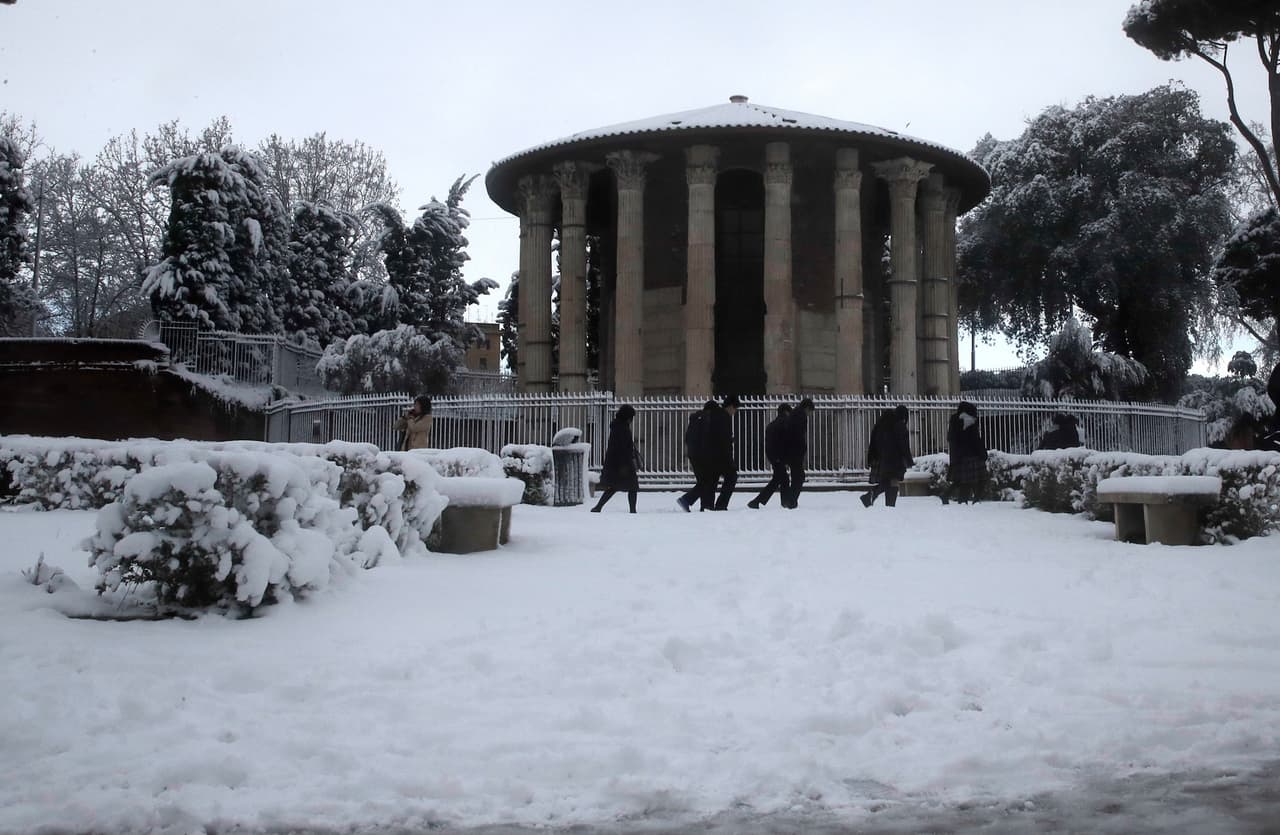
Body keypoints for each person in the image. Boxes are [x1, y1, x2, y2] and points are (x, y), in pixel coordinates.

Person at [860, 405, 913, 508]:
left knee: (886, 481)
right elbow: (903, 445)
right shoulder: (899, 426)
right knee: (893, 481)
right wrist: (908, 459)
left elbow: (874, 441)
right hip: (895, 459)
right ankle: (888, 503)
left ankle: (872, 496)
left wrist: (873, 457)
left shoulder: (882, 423)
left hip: (881, 458)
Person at [592, 405, 640, 513]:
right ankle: (632, 510)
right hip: (622, 463)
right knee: (632, 486)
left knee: (613, 486)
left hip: (616, 463)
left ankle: (598, 507)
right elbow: (622, 447)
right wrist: (626, 462)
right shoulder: (622, 428)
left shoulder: (618, 426)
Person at [747, 403, 793, 509]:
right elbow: (785, 442)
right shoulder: (785, 423)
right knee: (781, 479)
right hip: (779, 456)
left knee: (779, 479)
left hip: (773, 455)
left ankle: (759, 501)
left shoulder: (772, 424)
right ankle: (783, 502)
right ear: (786, 412)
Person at [676, 400, 719, 512]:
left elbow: (687, 438)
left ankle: (705, 506)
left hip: (693, 454)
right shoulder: (706, 419)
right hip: (703, 455)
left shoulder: (694, 419)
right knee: (706, 481)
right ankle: (687, 499)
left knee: (703, 480)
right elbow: (706, 438)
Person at [943, 401, 988, 504]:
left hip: (958, 455)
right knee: (980, 478)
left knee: (961, 480)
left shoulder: (954, 419)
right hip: (971, 454)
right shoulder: (969, 420)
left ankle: (954, 497)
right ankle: (971, 499)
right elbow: (975, 439)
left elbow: (951, 438)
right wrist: (982, 452)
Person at [780, 397, 815, 509]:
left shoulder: (795, 414)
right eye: (810, 412)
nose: (810, 415)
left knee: (797, 476)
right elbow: (798, 435)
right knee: (799, 477)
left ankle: (790, 500)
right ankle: (791, 501)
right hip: (795, 452)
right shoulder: (800, 416)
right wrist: (802, 448)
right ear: (807, 408)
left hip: (791, 451)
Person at [709, 394, 741, 510]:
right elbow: (723, 439)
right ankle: (721, 504)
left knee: (711, 481)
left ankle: (708, 504)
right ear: (731, 407)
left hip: (715, 454)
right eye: (735, 409)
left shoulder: (717, 415)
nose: (735, 412)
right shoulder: (724, 417)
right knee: (731, 477)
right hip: (722, 455)